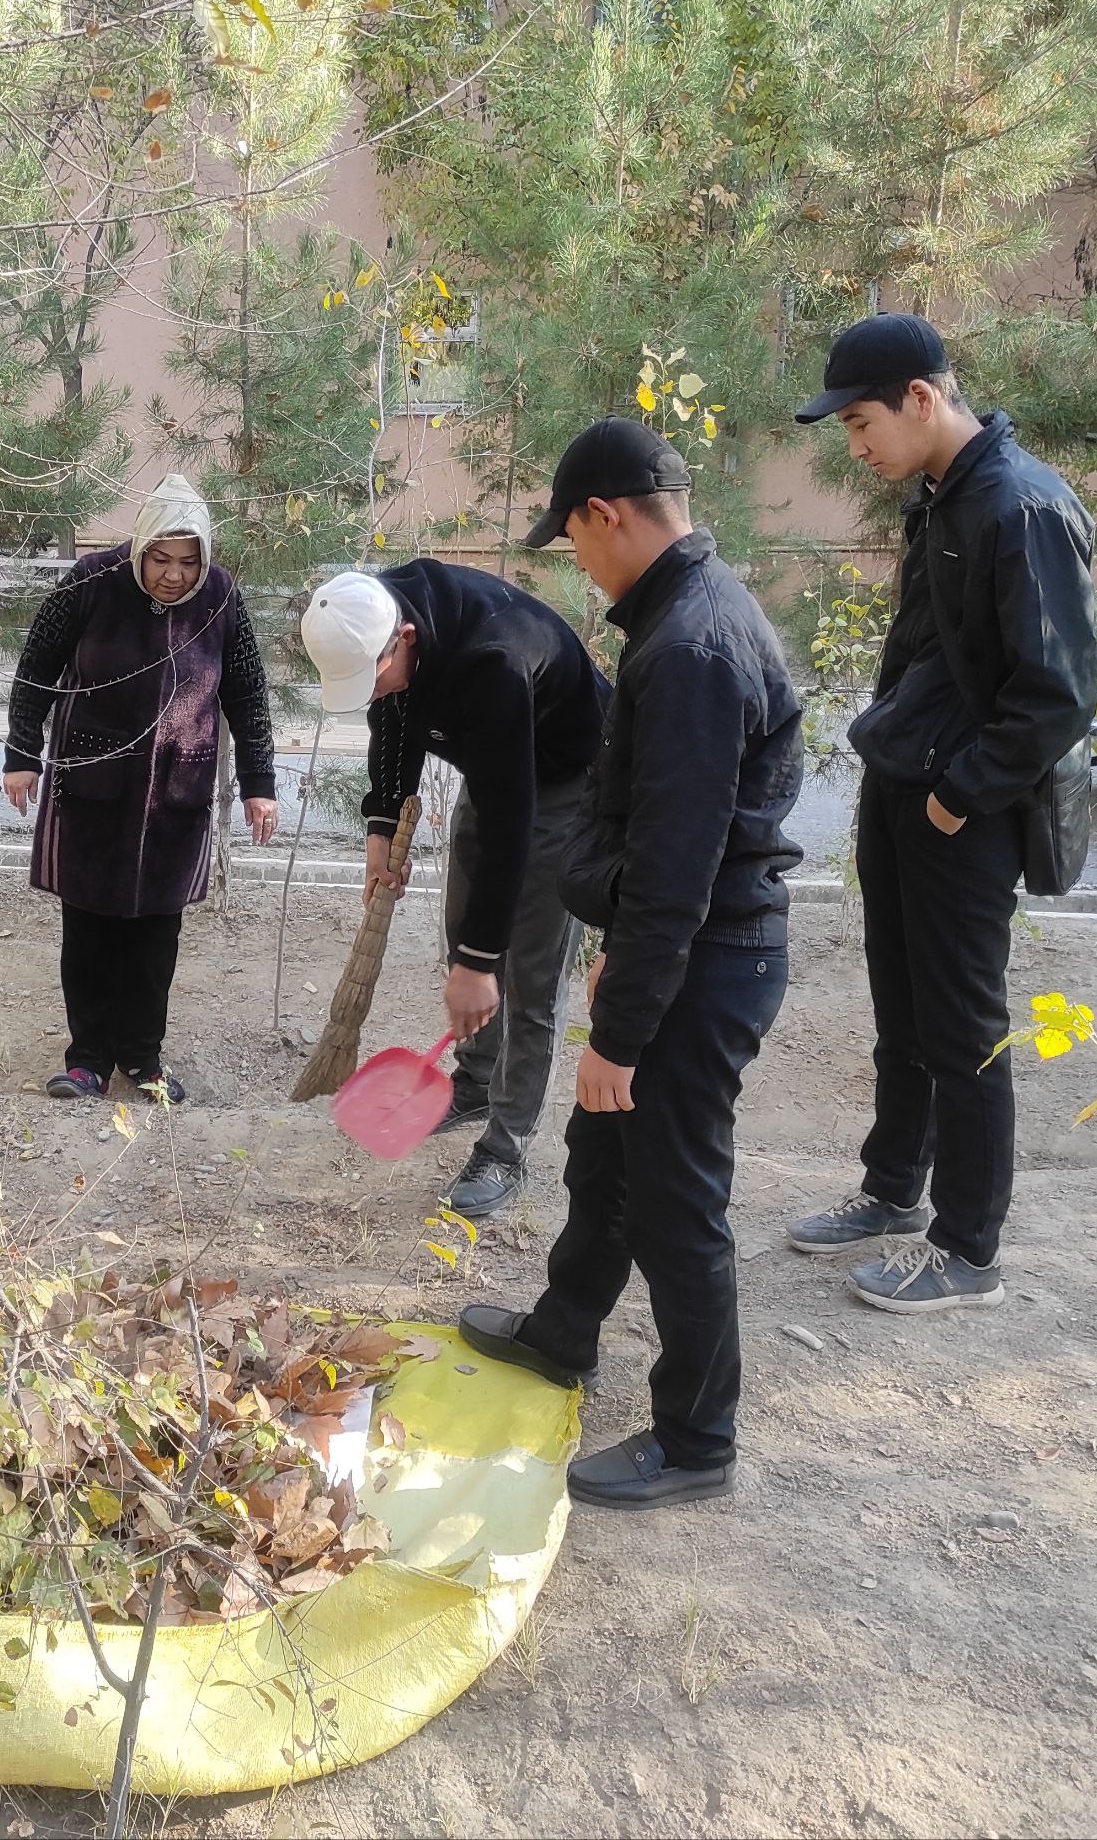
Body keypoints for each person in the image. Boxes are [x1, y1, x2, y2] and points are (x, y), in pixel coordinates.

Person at [457, 418, 802, 1511]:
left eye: (572, 539)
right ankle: (565, 1331)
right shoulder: (678, 616)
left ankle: (697, 1437)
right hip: (678, 949)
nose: (578, 562)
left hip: (710, 957)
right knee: (603, 1158)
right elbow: (654, 845)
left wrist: (619, 1033)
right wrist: (619, 965)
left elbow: (677, 866)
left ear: (605, 515)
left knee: (674, 1199)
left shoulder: (692, 646)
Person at [788, 313, 1097, 1313]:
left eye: (860, 422)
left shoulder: (1020, 506)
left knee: (963, 1029)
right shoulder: (943, 497)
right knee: (904, 1013)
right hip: (905, 783)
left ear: (920, 398)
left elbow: (1057, 694)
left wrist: (958, 798)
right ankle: (892, 1191)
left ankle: (968, 1249)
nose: (856, 445)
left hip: (964, 805)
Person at [298, 556, 609, 1217]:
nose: (370, 693)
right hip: (499, 768)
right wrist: (382, 822)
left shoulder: (493, 662)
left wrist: (479, 962)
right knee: (464, 923)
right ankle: (474, 1083)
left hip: (567, 778)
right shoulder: (379, 611)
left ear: (404, 639)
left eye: (370, 677)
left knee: (526, 973)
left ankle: (507, 1146)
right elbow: (392, 715)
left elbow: (510, 823)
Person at [3, 474, 279, 1103]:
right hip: (92, 787)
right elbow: (36, 668)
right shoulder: (91, 580)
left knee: (156, 938)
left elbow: (246, 695)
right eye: (161, 559)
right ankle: (88, 1062)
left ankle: (142, 1059)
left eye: (188, 562)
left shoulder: (222, 597)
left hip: (176, 794)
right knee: (90, 930)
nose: (174, 575)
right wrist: (22, 755)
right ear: (141, 546)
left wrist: (259, 783)